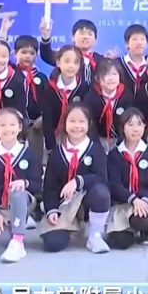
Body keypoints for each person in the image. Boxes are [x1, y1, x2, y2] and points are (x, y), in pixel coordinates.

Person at [41, 103, 112, 253]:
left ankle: (95, 234)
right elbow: (49, 186)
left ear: (89, 124)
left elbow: (101, 177)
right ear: (65, 123)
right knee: (53, 244)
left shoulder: (96, 149)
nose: (77, 126)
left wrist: (78, 181)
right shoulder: (57, 152)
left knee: (101, 192)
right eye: (72, 121)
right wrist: (51, 210)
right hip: (64, 205)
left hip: (87, 201)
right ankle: (71, 227)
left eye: (81, 121)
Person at [0, 108, 42, 262]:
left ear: (20, 127)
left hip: (24, 201)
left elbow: (37, 184)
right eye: (2, 125)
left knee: (16, 193)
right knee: (2, 239)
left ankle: (17, 241)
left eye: (12, 124)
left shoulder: (28, 153)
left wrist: (25, 183)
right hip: (1, 208)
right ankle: (14, 235)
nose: (7, 129)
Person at [105, 108, 148, 248]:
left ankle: (145, 229)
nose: (135, 129)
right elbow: (114, 184)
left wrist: (144, 200)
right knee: (120, 243)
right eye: (130, 124)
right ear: (122, 128)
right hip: (123, 203)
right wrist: (133, 200)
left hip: (146, 202)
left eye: (139, 124)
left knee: (143, 218)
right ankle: (129, 230)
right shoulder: (115, 154)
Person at [8, 27, 49, 166]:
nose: (28, 56)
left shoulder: (42, 77)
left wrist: (43, 118)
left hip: (35, 126)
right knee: (13, 161)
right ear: (14, 54)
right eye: (23, 52)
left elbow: (48, 102)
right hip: (13, 126)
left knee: (35, 161)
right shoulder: (9, 74)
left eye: (32, 53)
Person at [42, 45, 90, 162]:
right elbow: (47, 119)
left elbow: (87, 117)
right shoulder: (50, 87)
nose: (71, 66)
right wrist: (50, 146)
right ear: (58, 62)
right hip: (55, 135)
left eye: (75, 62)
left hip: (77, 136)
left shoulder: (84, 88)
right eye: (67, 61)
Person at [83, 59, 133, 150]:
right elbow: (90, 124)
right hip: (98, 139)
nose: (111, 78)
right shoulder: (91, 97)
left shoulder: (127, 95)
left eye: (115, 74)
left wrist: (122, 143)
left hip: (122, 140)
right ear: (97, 78)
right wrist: (97, 145)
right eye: (106, 74)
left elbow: (130, 121)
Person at [40, 18, 103, 84]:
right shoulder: (65, 54)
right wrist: (45, 37)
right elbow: (47, 55)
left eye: (90, 34)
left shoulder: (100, 60)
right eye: (82, 33)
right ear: (73, 37)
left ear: (95, 40)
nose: (85, 37)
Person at [119, 24, 148, 94]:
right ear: (127, 43)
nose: (139, 43)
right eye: (135, 39)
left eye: (142, 39)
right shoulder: (118, 64)